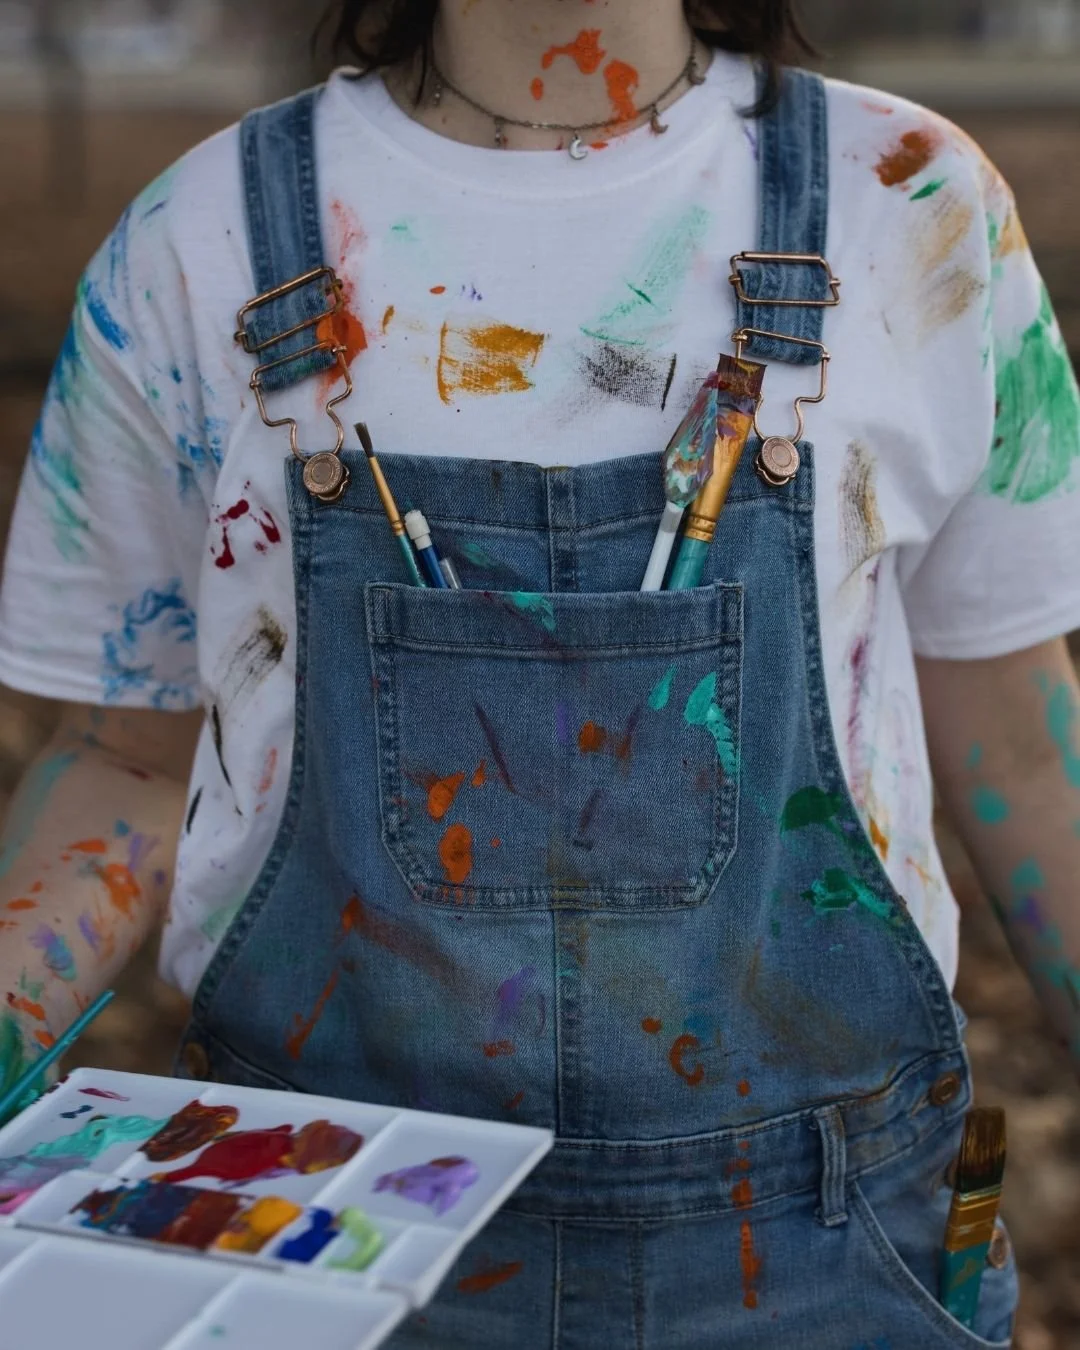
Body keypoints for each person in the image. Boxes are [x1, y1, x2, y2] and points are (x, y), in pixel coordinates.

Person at [1, 1, 1078, 1344]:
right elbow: (120, 758)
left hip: (833, 1247)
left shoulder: (911, 209)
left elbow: (1020, 742)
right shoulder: (198, 242)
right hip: (317, 1238)